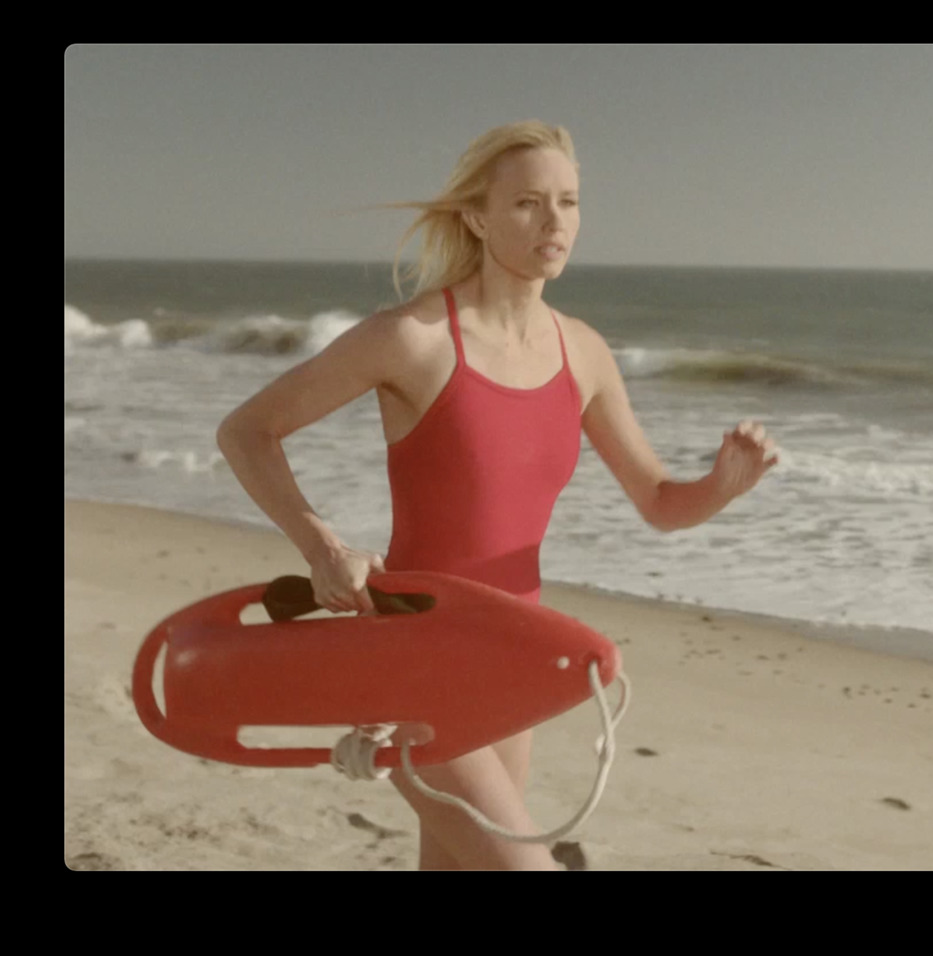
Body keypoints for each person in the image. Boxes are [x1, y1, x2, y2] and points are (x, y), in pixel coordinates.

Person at [216, 120, 780, 870]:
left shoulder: (582, 351)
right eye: (528, 203)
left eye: (569, 201)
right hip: (415, 652)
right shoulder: (413, 338)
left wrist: (722, 486)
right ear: (478, 218)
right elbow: (247, 431)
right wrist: (323, 546)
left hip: (515, 652)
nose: (555, 222)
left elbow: (659, 502)